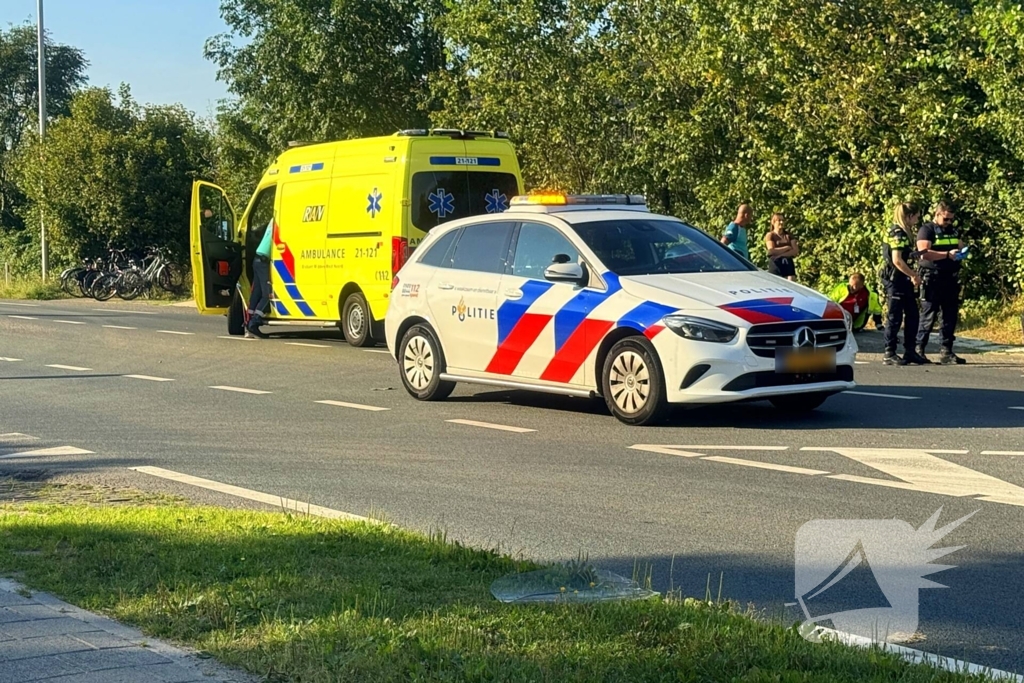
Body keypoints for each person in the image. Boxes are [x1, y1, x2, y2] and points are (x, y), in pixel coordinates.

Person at [915, 201, 966, 364]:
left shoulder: (952, 230)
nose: (949, 223)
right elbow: (923, 253)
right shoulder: (927, 230)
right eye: (946, 219)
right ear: (937, 215)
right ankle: (919, 349)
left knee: (949, 315)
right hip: (932, 277)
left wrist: (962, 252)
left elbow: (959, 245)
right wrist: (947, 255)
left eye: (951, 219)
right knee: (928, 314)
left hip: (950, 277)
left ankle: (946, 351)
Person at [880, 203, 928, 365]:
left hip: (903, 279)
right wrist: (913, 275)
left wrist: (916, 255)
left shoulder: (905, 232)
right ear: (909, 216)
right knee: (895, 316)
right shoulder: (898, 233)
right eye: (916, 216)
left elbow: (903, 256)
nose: (917, 219)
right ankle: (889, 352)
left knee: (913, 314)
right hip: (895, 279)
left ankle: (910, 351)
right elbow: (897, 260)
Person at [246, 219, 275, 339]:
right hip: (263, 261)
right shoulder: (281, 221)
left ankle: (247, 325)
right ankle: (254, 324)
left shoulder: (272, 221)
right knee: (268, 294)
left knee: (256, 293)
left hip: (257, 258)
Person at [764, 212, 799, 280]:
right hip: (776, 264)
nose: (782, 222)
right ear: (773, 222)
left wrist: (781, 255)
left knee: (790, 284)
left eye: (783, 220)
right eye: (779, 220)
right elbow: (771, 251)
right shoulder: (770, 235)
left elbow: (795, 251)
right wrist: (787, 248)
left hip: (788, 265)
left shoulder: (788, 235)